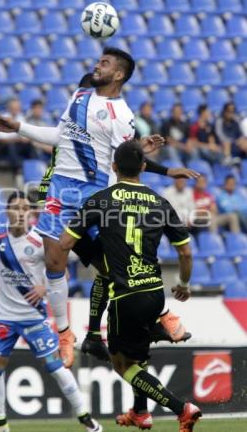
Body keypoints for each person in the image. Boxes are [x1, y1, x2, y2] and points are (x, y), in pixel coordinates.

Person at [0, 49, 198, 367]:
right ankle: (64, 333)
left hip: (97, 194)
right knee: (54, 258)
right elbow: (60, 136)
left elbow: (126, 158)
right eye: (99, 61)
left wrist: (155, 162)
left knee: (116, 266)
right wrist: (18, 126)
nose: (97, 65)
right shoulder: (80, 94)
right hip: (61, 188)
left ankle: (163, 314)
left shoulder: (122, 115)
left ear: (119, 75)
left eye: (105, 63)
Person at [60, 140, 202, 432]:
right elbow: (186, 252)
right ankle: (140, 411)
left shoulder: (101, 199)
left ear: (113, 167)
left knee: (123, 365)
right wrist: (184, 284)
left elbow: (65, 243)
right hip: (154, 292)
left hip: (125, 295)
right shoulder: (160, 202)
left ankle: (181, 408)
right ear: (144, 168)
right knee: (138, 355)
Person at [0, 191, 102, 432]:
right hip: (4, 316)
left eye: (24, 209)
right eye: (15, 208)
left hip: (34, 317)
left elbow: (62, 273)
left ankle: (86, 418)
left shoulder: (41, 240)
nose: (20, 213)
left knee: (55, 367)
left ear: (31, 214)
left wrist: (43, 287)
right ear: (7, 211)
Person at [0, 98, 39, 174]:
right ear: (9, 108)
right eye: (14, 108)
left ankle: (36, 167)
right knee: (12, 146)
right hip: (1, 146)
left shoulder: (21, 117)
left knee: (30, 145)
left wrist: (26, 140)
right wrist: (18, 139)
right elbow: (1, 139)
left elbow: (25, 136)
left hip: (18, 144)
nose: (16, 110)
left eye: (17, 108)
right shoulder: (2, 118)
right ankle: (17, 170)